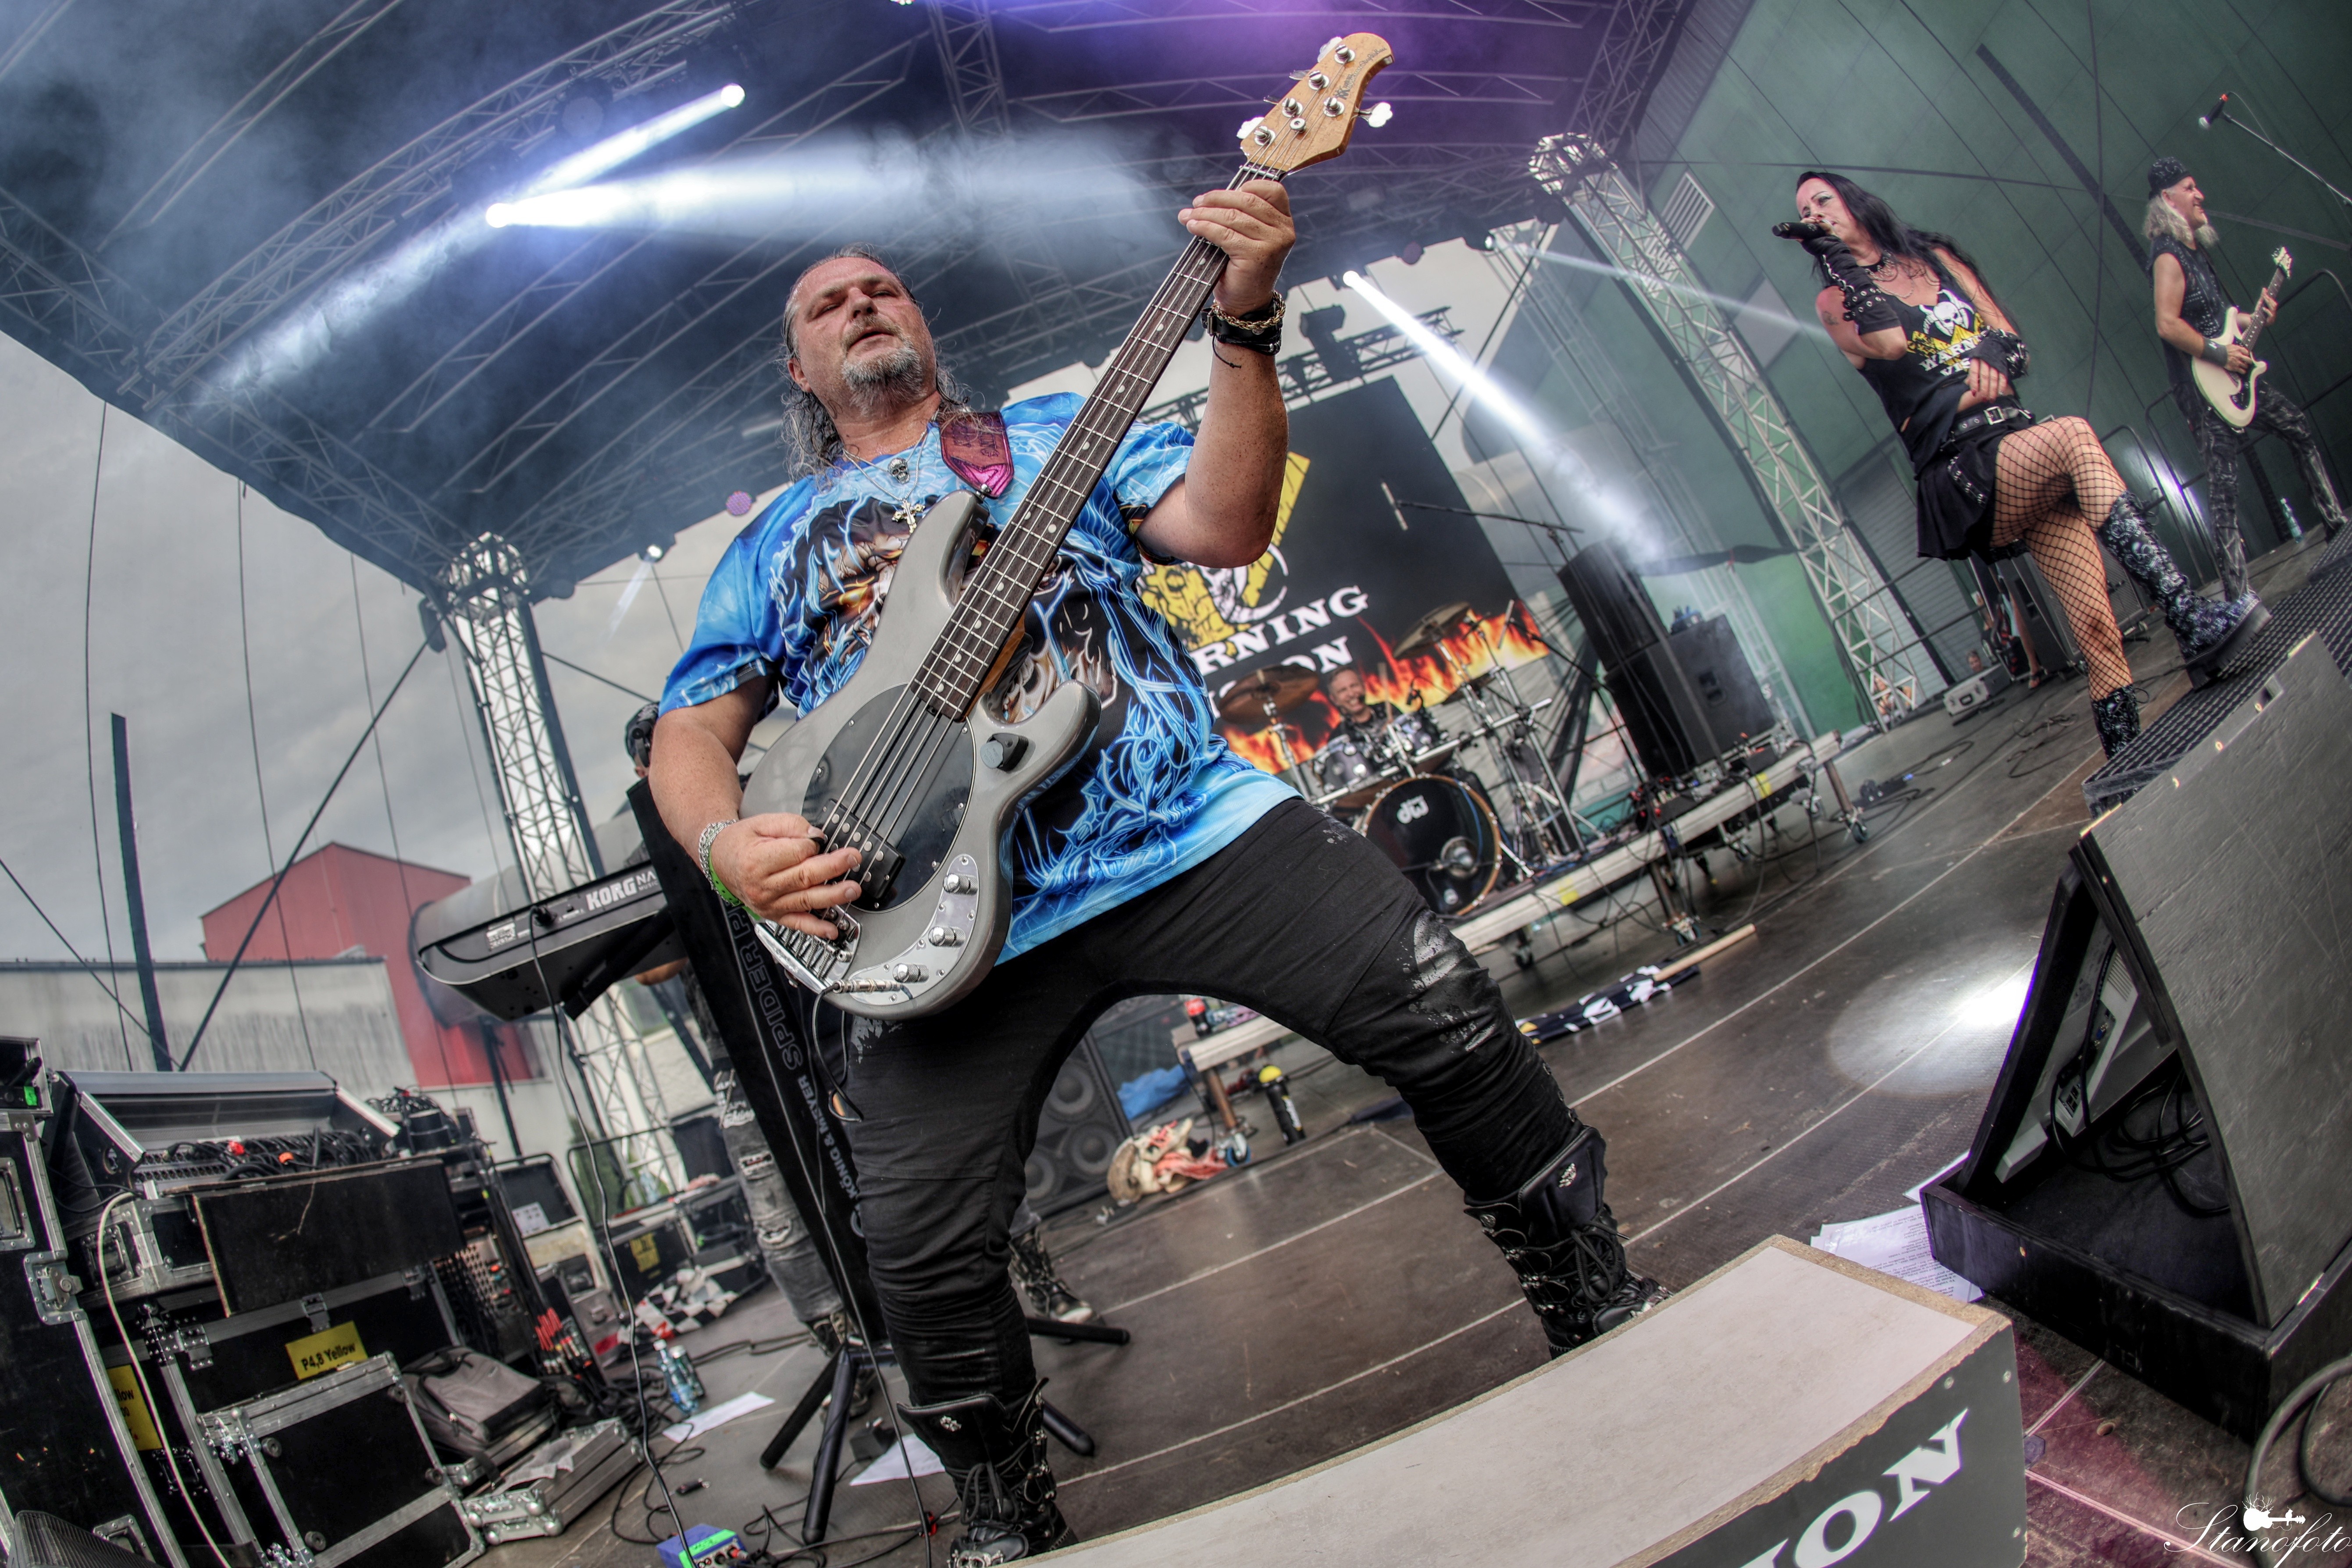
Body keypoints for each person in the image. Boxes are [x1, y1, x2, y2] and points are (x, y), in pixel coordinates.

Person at [651, 183, 1654, 1561]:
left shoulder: (1049, 434)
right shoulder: (769, 545)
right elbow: (690, 733)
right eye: (828, 305)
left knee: (1436, 1001)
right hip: (933, 909)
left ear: (921, 321)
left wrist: (1244, 322)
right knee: (917, 1241)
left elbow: (1228, 526)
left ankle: (1595, 1297)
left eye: (880, 286)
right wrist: (722, 846)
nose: (860, 305)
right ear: (799, 368)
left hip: (1186, 825)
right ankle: (1006, 1521)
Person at [1782, 171, 2263, 757]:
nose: (1816, 212)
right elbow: (1891, 344)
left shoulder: (1934, 257)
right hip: (1964, 468)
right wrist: (1839, 260)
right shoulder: (1834, 302)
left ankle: (2130, 764)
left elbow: (2011, 340)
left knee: (2098, 629)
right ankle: (2188, 618)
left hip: (2019, 443)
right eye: (1806, 210)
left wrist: (1991, 350)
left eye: (1823, 199)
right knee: (2075, 436)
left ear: (1853, 201)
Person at [2146, 155, 2347, 596]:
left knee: (2296, 426)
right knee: (2224, 491)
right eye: (2190, 188)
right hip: (2203, 388)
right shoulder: (2167, 255)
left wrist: (2255, 316)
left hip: (2233, 376)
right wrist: (2221, 354)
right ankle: (2238, 598)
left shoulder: (2196, 252)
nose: (2200, 195)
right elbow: (2167, 324)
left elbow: (2219, 318)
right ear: (2168, 198)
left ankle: (2334, 521)